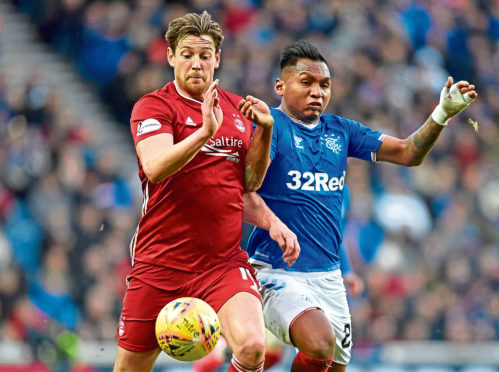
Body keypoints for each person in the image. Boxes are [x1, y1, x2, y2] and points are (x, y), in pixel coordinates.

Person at [245, 40, 477, 372]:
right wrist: (263, 133)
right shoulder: (270, 126)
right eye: (306, 82)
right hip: (277, 272)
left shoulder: (341, 130)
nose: (317, 92)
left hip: (328, 279)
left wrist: (441, 114)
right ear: (280, 86)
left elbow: (408, 153)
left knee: (331, 364)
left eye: (324, 85)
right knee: (319, 344)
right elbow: (248, 186)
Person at [113, 12, 300, 372]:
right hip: (160, 264)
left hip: (221, 262)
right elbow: (155, 167)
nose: (196, 64)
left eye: (204, 55)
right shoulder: (154, 106)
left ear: (217, 59)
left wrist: (264, 132)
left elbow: (246, 185)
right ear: (171, 57)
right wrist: (203, 133)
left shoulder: (236, 109)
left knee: (251, 347)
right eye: (186, 54)